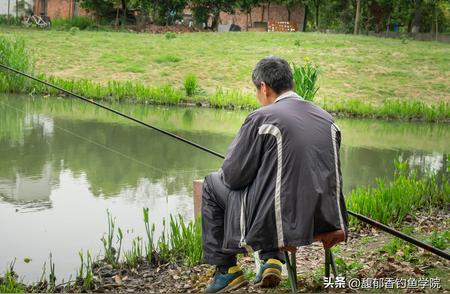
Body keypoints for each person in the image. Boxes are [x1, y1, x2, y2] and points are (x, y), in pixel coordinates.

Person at [201, 56, 349, 293]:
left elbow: (233, 176)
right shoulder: (327, 119)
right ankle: (271, 259)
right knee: (274, 186)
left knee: (211, 183)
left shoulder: (263, 118)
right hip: (326, 219)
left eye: (256, 91)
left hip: (282, 224)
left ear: (264, 87)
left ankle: (226, 270)